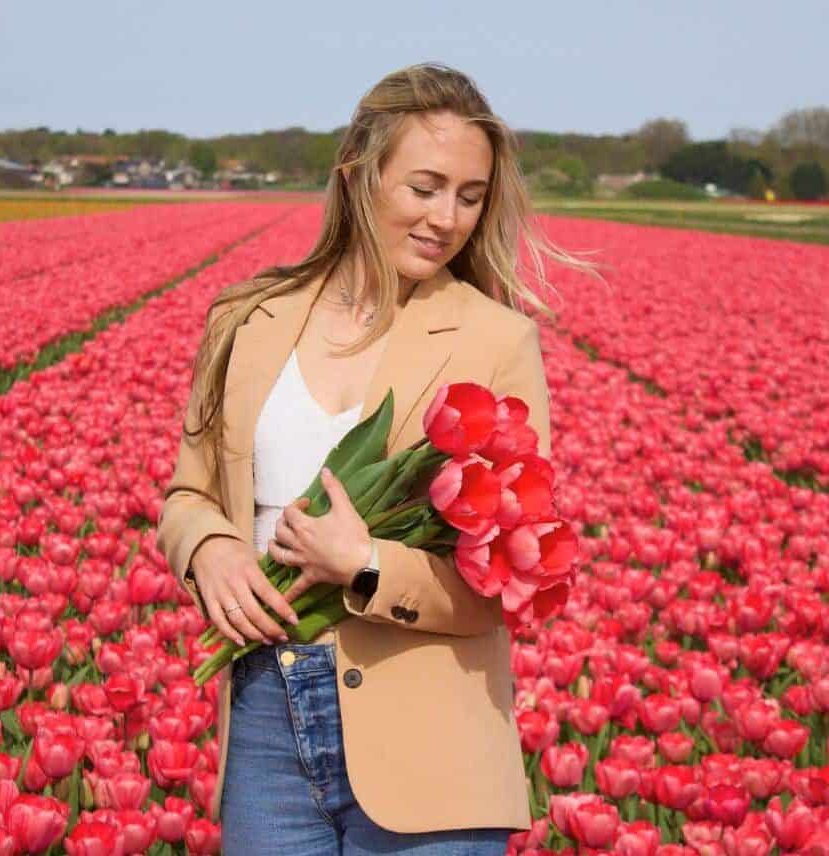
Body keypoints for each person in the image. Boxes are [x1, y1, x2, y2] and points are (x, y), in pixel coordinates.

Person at [155, 62, 602, 855]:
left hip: (429, 737)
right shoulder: (250, 318)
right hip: (266, 712)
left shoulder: (493, 341)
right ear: (360, 174)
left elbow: (505, 582)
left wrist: (364, 563)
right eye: (424, 187)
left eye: (470, 196)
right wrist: (213, 547)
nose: (448, 218)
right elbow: (189, 494)